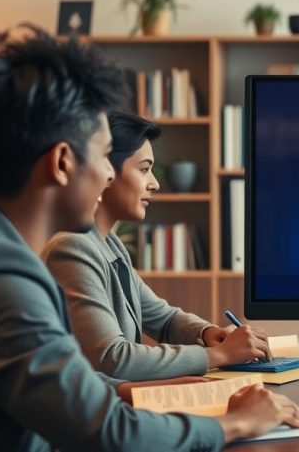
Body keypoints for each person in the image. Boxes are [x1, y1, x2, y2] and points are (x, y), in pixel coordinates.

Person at [0, 26, 299, 451]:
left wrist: (123, 390)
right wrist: (235, 424)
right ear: (61, 162)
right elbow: (108, 433)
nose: (109, 174)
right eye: (103, 154)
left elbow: (51, 384)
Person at [44, 111, 269, 380]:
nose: (155, 183)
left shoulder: (108, 243)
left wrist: (209, 333)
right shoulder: (71, 249)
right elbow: (112, 358)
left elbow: (164, 318)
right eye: (143, 169)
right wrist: (219, 356)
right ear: (104, 171)